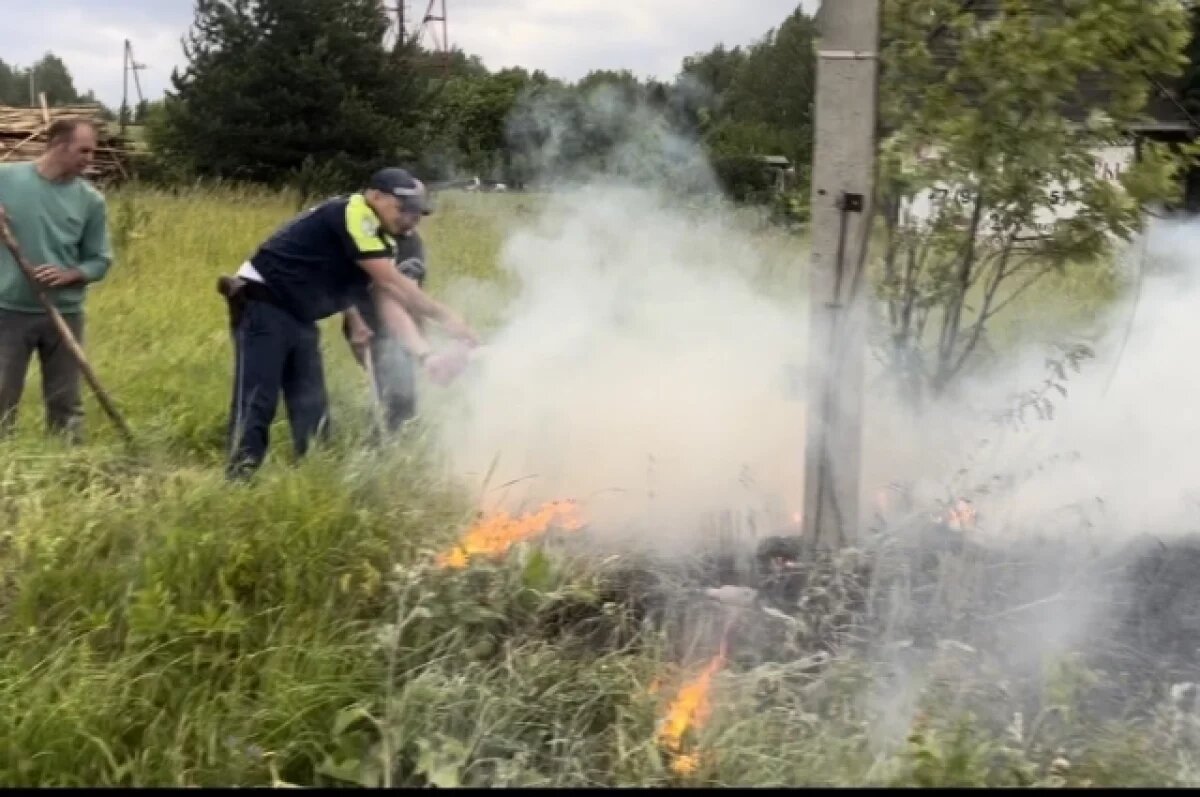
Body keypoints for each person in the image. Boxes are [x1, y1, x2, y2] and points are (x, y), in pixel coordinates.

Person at [218, 167, 478, 480]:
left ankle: (315, 479)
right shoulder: (351, 213)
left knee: (311, 404)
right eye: (402, 208)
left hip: (299, 314)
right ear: (376, 195)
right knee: (258, 398)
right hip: (262, 302)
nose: (408, 218)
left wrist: (425, 355)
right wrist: (447, 317)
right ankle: (239, 479)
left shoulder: (382, 237)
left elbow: (388, 303)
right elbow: (392, 282)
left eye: (415, 212)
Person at [0, 118, 113, 442]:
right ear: (58, 145)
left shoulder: (90, 200)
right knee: (2, 394)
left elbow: (100, 259)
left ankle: (68, 466)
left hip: (64, 311)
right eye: (84, 150)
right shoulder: (7, 178)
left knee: (65, 401)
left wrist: (70, 275)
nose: (90, 158)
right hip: (9, 308)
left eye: (93, 151)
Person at [341, 204, 431, 434]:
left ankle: (399, 437)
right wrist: (355, 323)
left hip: (400, 324)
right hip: (368, 323)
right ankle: (379, 441)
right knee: (390, 387)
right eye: (412, 211)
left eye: (419, 213)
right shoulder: (367, 235)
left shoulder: (412, 243)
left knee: (403, 390)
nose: (415, 219)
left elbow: (412, 293)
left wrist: (421, 336)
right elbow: (343, 284)